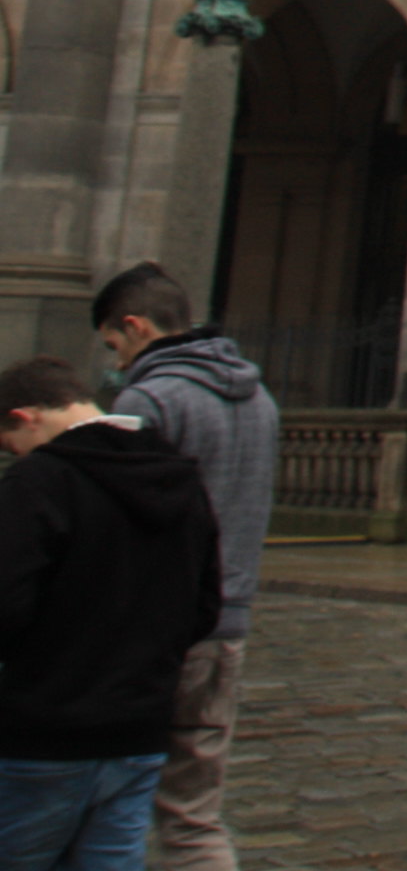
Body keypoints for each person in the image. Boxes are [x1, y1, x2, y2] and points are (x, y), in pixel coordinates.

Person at [0, 354, 223, 871]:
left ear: (26, 417)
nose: (14, 455)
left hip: (45, 733)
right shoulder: (179, 478)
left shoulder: (39, 482)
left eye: (10, 443)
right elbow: (205, 605)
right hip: (139, 730)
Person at [91, 264, 278, 871]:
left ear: (136, 325)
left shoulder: (146, 398)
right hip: (226, 626)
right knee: (193, 817)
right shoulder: (261, 399)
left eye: (113, 345)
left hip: (151, 630)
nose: (113, 361)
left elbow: (113, 521)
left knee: (104, 803)